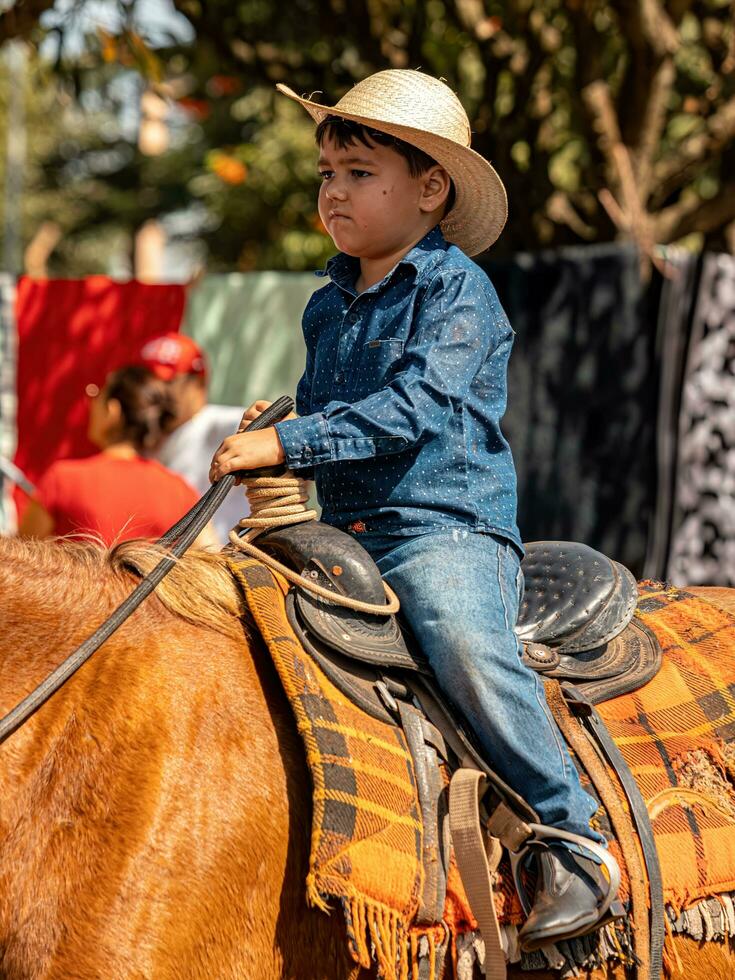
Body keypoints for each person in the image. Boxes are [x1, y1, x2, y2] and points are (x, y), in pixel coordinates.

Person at [209, 69, 619, 950]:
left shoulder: (456, 291)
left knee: (461, 638)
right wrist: (283, 425)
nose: (334, 191)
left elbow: (411, 410)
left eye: (358, 172)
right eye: (326, 173)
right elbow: (333, 411)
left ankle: (573, 838)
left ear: (430, 189)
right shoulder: (327, 305)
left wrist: (290, 447)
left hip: (443, 531)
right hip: (345, 530)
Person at [20, 365, 217, 549]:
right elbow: (212, 564)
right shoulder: (182, 493)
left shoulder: (63, 479)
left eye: (97, 396)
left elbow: (17, 560)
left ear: (112, 411)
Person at [138, 333, 250, 546]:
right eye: (147, 383)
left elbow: (284, 428)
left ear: (198, 383)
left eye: (166, 382)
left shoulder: (225, 424)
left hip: (222, 565)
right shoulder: (143, 437)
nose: (156, 393)